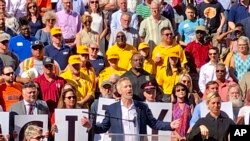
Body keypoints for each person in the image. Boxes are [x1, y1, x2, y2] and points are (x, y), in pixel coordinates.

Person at [81, 77, 181, 141]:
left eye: (130, 86)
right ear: (119, 91)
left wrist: (170, 125)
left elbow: (154, 123)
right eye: (126, 87)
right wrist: (90, 126)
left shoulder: (142, 107)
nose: (129, 89)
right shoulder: (112, 109)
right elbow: (103, 127)